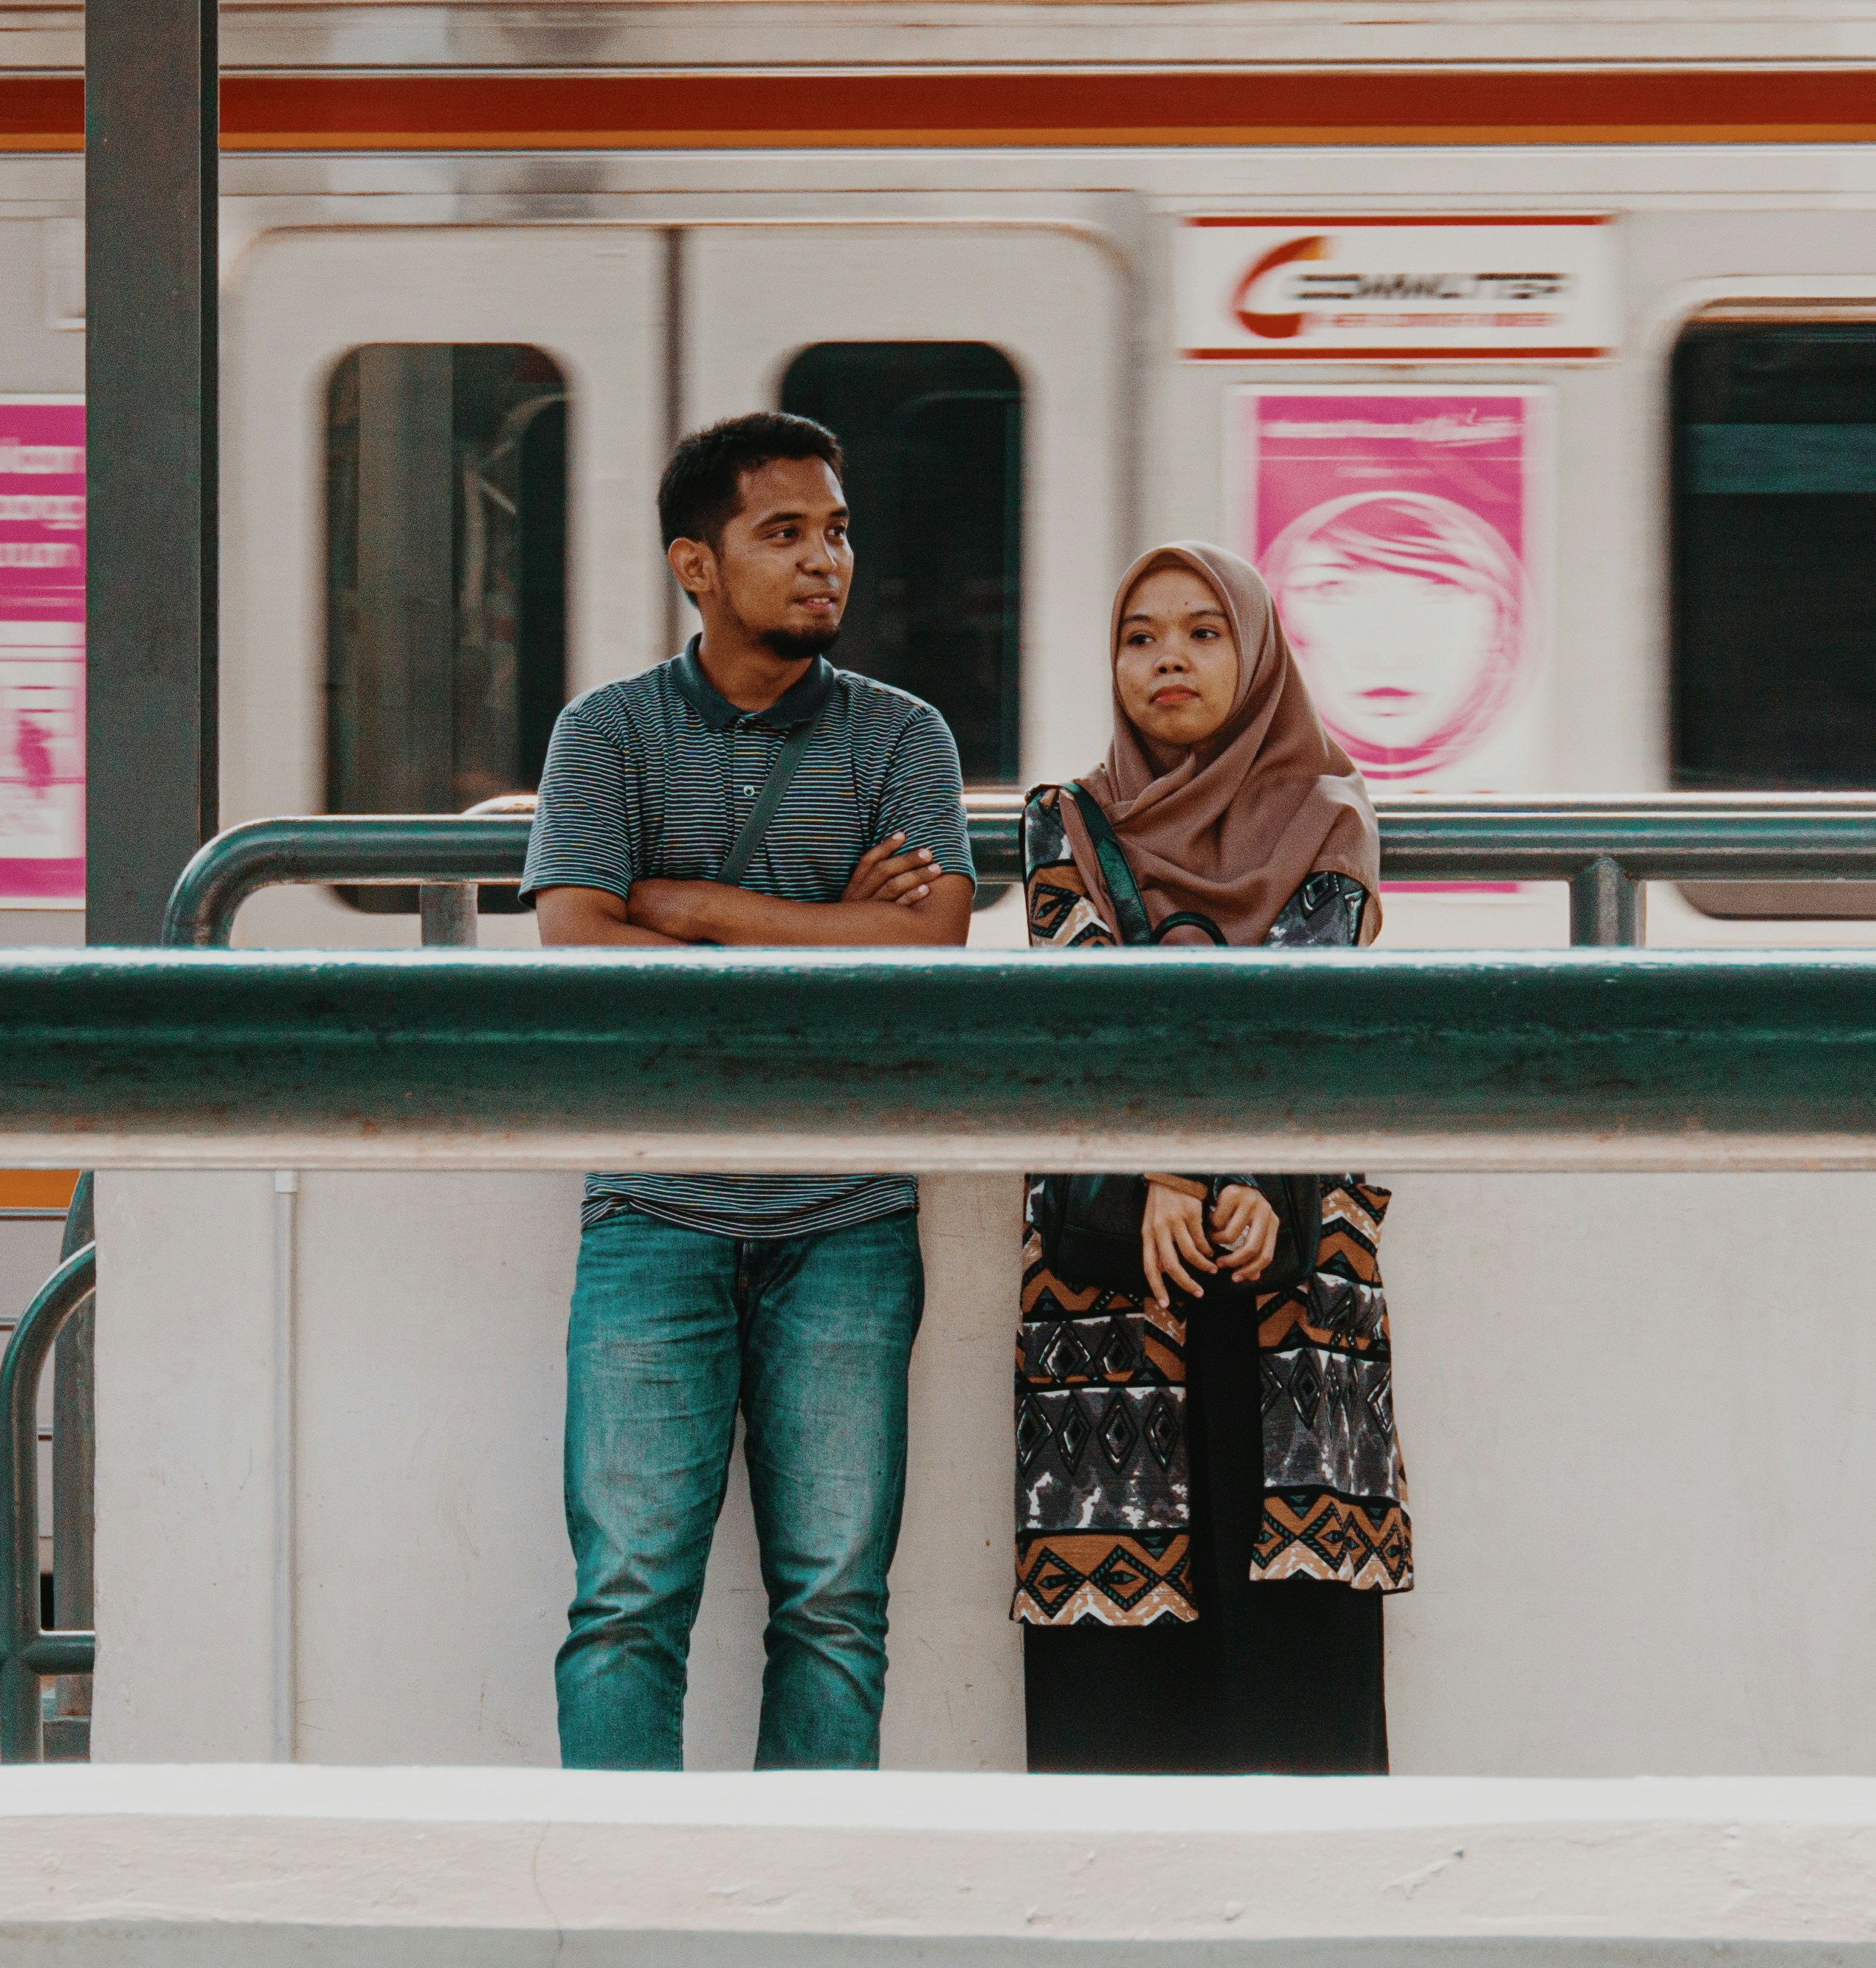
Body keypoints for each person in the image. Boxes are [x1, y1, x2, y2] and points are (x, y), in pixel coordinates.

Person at [521, 410, 974, 1770]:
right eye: (783, 534)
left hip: (849, 1217)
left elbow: (930, 938)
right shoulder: (604, 734)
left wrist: (697, 904)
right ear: (695, 567)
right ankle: (618, 1917)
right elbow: (579, 944)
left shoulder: (907, 739)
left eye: (835, 532)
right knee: (624, 1603)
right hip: (653, 1207)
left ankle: (809, 1918)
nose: (824, 560)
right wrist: (823, 920)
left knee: (836, 1608)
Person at [1013, 542, 1410, 1774]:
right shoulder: (1064, 820)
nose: (1167, 658)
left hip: (1288, 1246)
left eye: (1200, 631)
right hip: (1111, 1261)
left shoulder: (1331, 815)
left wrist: (1224, 1173)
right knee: (1115, 1669)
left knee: (1296, 1657)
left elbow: (1303, 1005)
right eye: (1139, 636)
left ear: (1255, 654)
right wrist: (1177, 1172)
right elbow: (1087, 1008)